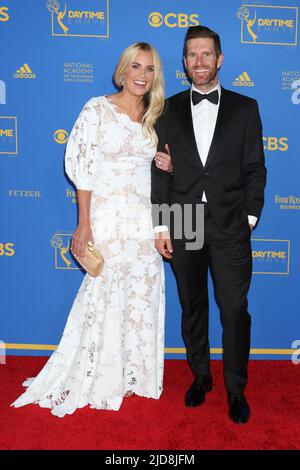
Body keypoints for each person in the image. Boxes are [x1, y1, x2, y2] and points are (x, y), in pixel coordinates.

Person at [11, 42, 172, 417]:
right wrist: (84, 222)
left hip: (144, 219)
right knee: (107, 290)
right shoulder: (97, 109)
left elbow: (164, 170)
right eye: (135, 66)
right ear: (121, 71)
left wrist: (168, 166)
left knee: (141, 293)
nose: (141, 75)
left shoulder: (157, 115)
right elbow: (84, 169)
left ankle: (135, 376)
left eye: (149, 69)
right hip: (108, 216)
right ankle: (102, 374)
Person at [151, 26, 267, 424]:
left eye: (206, 54)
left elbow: (255, 168)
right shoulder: (166, 109)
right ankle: (201, 376)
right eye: (191, 55)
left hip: (231, 222)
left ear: (219, 59)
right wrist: (161, 224)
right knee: (192, 307)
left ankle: (237, 389)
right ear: (183, 62)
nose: (198, 62)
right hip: (183, 219)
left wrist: (249, 217)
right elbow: (160, 172)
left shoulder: (245, 108)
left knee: (234, 309)